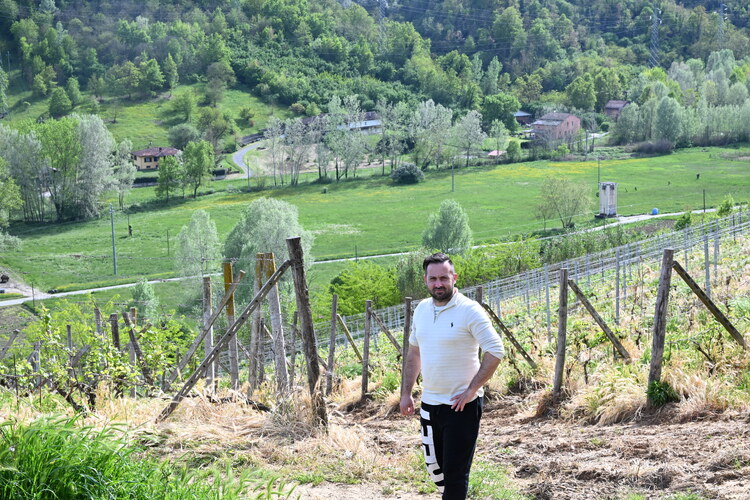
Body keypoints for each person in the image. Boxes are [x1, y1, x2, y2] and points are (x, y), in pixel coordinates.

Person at [400, 252, 505, 499]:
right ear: (425, 280)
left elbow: (495, 350)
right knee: (437, 471)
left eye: (444, 278)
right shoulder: (421, 310)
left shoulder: (470, 310)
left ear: (454, 278)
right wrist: (406, 393)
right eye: (433, 279)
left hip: (461, 407)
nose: (438, 284)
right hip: (429, 405)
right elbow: (414, 352)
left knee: (455, 475)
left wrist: (471, 390)